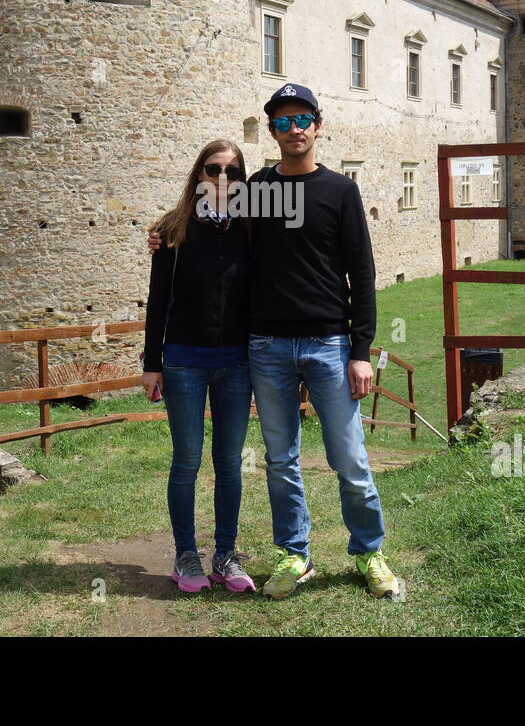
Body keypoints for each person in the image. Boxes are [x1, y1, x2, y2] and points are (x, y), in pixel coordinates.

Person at [149, 84, 403, 600]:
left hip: (330, 344)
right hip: (265, 346)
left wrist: (361, 350)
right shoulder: (258, 190)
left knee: (349, 458)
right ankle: (295, 553)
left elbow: (362, 271)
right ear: (272, 132)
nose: (294, 130)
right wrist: (162, 231)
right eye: (283, 122)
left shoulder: (340, 191)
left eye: (302, 119)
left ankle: (369, 551)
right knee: (280, 459)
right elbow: (202, 213)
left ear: (317, 124)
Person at [142, 139, 257, 594]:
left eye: (232, 170)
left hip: (237, 362)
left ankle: (225, 554)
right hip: (185, 361)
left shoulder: (253, 227)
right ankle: (185, 554)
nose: (222, 178)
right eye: (213, 169)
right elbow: (158, 302)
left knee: (229, 463)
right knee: (186, 461)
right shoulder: (173, 229)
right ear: (199, 175)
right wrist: (153, 363)